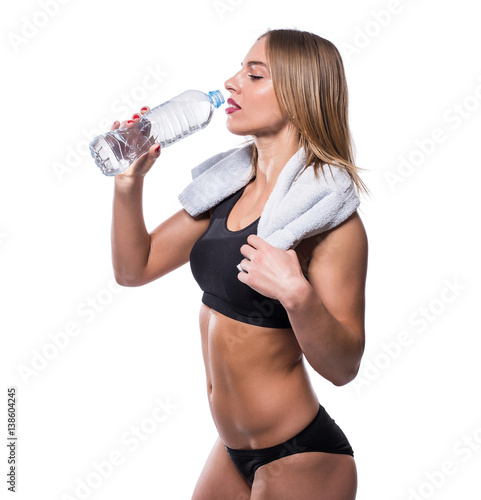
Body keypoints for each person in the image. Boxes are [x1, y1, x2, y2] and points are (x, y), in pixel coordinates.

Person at [110, 28, 368, 500]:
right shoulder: (225, 190)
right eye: (238, 71)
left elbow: (343, 366)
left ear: (300, 92)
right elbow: (135, 268)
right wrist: (129, 185)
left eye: (254, 74)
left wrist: (297, 295)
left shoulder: (331, 222)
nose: (231, 83)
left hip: (302, 457)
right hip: (231, 450)